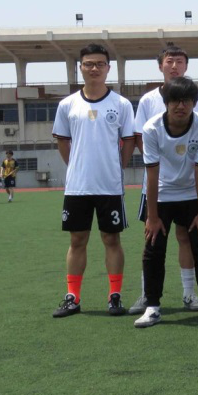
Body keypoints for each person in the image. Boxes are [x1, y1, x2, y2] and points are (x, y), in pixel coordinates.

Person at [135, 77, 198, 327]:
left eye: (186, 101)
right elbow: (152, 173)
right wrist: (152, 217)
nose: (180, 106)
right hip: (162, 194)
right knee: (154, 249)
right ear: (166, 103)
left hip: (190, 194)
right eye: (175, 101)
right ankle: (152, 307)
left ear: (194, 103)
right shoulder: (152, 128)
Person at [51, 43, 136, 318]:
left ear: (108, 68)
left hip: (109, 185)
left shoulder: (121, 104)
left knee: (112, 238)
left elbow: (129, 140)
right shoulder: (67, 105)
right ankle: (73, 297)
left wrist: (117, 166)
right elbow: (63, 141)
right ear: (81, 68)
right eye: (89, 64)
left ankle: (114, 296)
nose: (94, 68)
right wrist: (77, 166)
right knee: (77, 240)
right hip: (78, 186)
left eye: (100, 64)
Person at [129, 45, 198, 316]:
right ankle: (148, 297)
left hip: (188, 186)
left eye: (179, 61)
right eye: (169, 61)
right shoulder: (148, 100)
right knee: (153, 238)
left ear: (186, 66)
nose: (174, 66)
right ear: (160, 66)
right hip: (157, 185)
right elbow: (140, 137)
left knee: (188, 238)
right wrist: (160, 162)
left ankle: (189, 293)